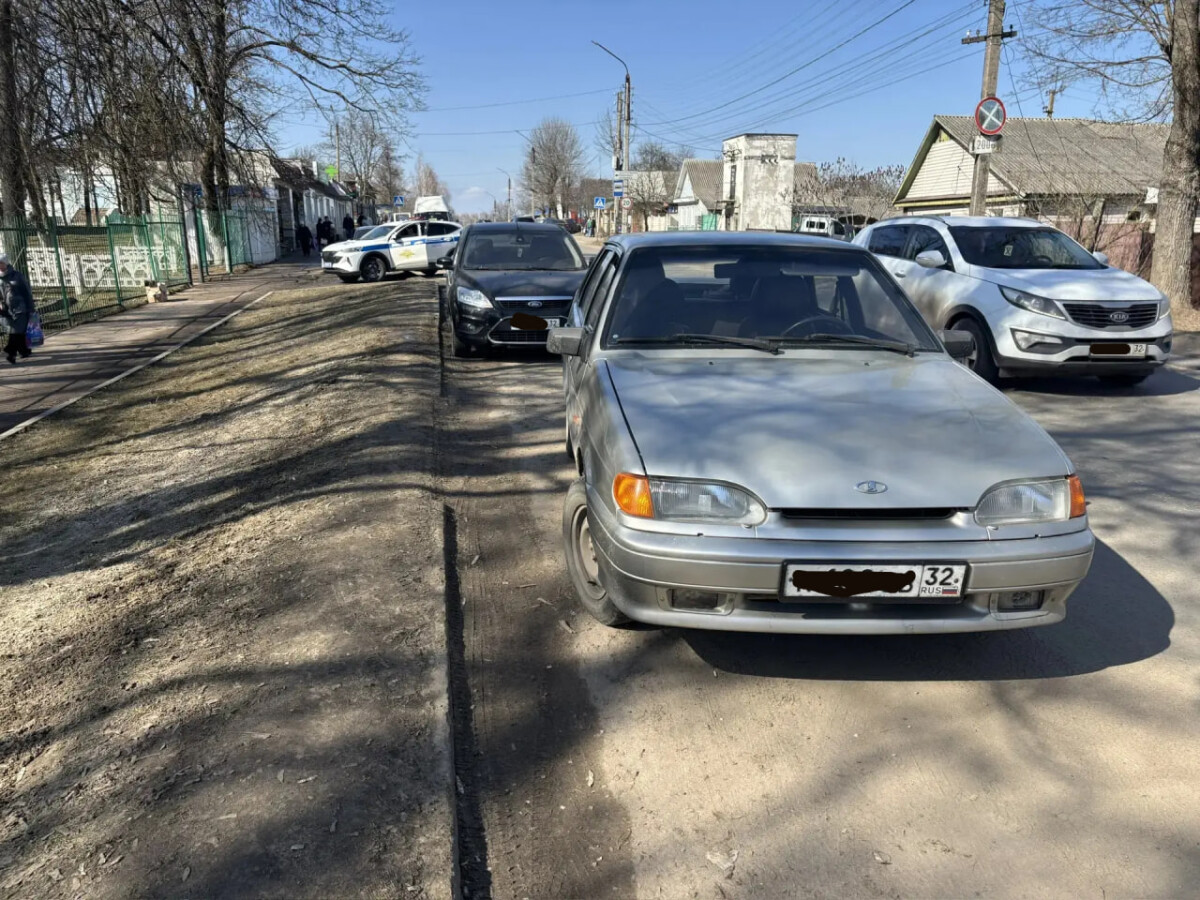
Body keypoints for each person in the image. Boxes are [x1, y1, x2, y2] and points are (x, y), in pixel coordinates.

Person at [0, 254, 34, 364]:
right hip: (6, 310)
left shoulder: (17, 275)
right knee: (16, 332)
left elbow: (26, 292)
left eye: (1, 263)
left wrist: (31, 308)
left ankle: (11, 353)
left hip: (20, 308)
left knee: (16, 331)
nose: (0, 266)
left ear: (6, 263)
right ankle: (23, 350)